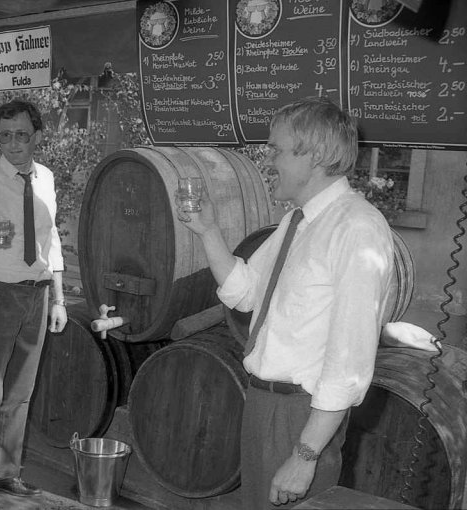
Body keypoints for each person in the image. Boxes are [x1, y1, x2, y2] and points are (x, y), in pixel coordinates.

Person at [179, 96, 395, 509]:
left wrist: (305, 455)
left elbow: (349, 363)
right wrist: (207, 231)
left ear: (314, 155)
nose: (268, 159)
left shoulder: (357, 228)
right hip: (264, 404)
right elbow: (244, 292)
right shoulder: (297, 222)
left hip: (302, 416)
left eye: (276, 149)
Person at [0, 98, 67, 510]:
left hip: (38, 293)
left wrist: (59, 298)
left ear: (37, 135)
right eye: (5, 136)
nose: (14, 143)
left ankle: (5, 473)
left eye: (21, 134)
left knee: (21, 392)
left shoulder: (47, 179)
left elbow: (51, 241)